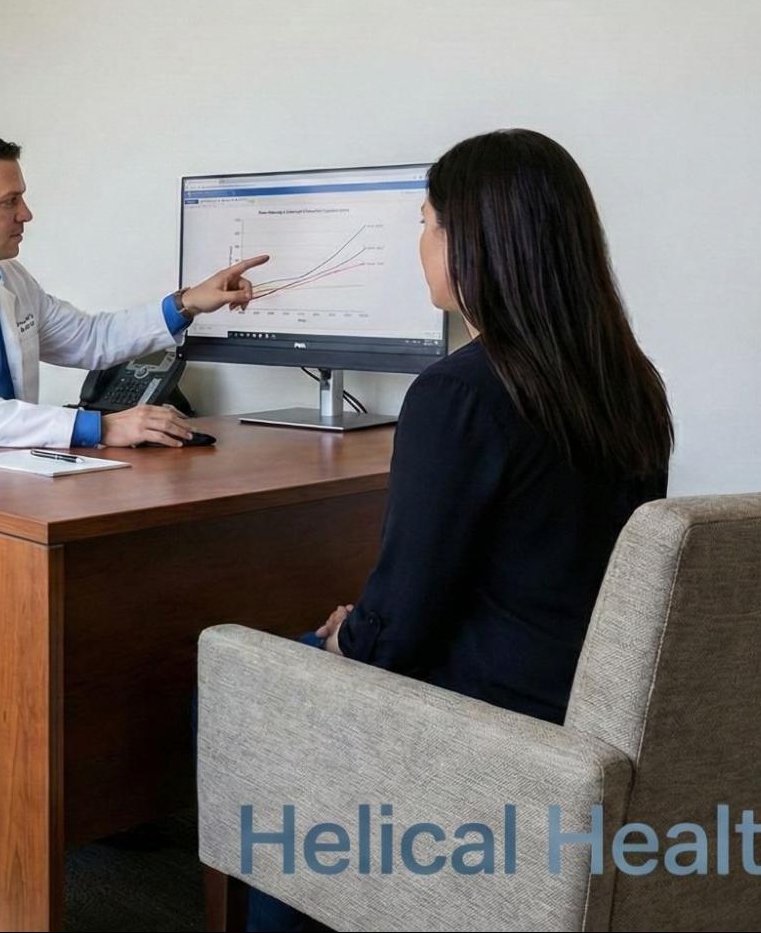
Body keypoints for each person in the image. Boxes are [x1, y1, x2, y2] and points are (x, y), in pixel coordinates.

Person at [252, 128, 674, 932]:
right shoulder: (630, 378)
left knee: (260, 687)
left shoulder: (457, 395)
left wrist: (350, 638)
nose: (418, 243)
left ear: (471, 243)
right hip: (583, 709)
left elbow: (403, 621)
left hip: (487, 720)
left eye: (424, 222)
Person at [0, 131, 267, 454]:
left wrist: (187, 302)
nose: (26, 214)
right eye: (10, 201)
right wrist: (101, 428)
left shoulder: (9, 279)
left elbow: (91, 340)